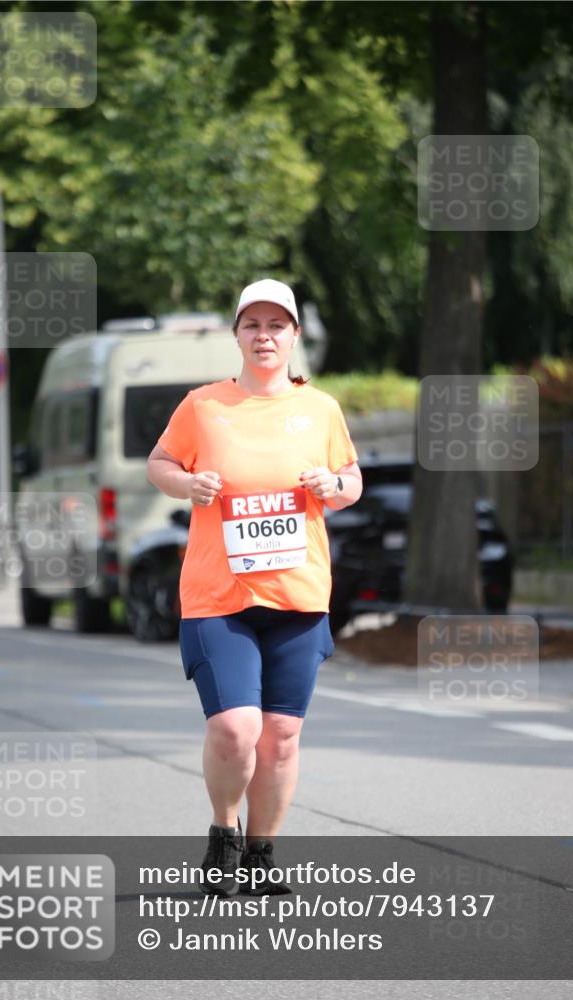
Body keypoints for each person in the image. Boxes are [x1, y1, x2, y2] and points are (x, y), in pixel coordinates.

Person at [147, 278, 362, 896]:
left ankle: (263, 856)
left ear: (294, 335)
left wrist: (334, 486)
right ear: (237, 334)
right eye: (253, 326)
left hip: (298, 596)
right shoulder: (203, 405)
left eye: (276, 326)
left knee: (282, 736)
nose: (264, 336)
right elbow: (160, 463)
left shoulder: (320, 408)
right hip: (220, 597)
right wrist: (187, 485)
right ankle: (224, 833)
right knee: (237, 729)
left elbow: (351, 480)